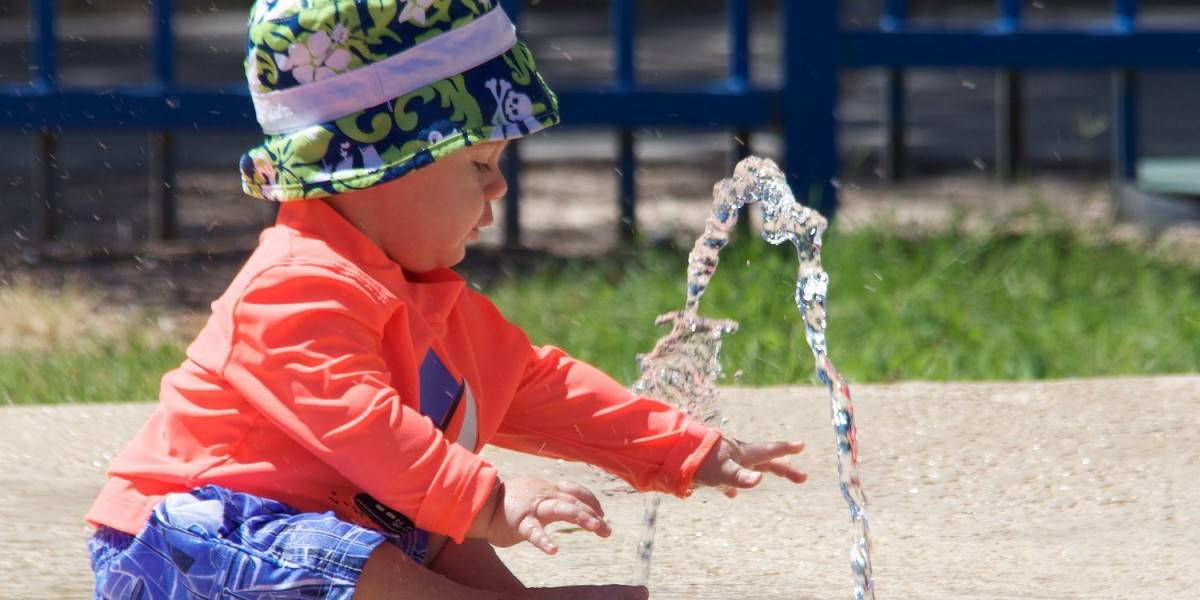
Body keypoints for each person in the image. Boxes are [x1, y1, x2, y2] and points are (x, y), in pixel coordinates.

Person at [85, 1, 807, 598]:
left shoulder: (425, 296)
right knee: (406, 515)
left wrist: (682, 447)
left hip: (326, 535)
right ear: (381, 165)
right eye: (480, 163)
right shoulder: (294, 286)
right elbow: (368, 429)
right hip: (179, 551)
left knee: (421, 522)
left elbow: (534, 386)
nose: (499, 188)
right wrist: (490, 501)